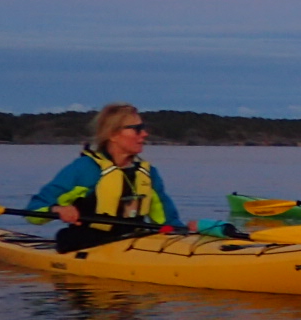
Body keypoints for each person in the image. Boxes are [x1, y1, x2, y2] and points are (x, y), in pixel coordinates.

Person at [29, 103, 192, 252]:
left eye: (143, 128)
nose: (144, 134)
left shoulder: (148, 173)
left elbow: (167, 220)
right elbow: (33, 212)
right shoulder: (85, 169)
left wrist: (184, 236)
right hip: (87, 244)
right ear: (113, 134)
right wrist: (57, 209)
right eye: (137, 129)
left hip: (132, 243)